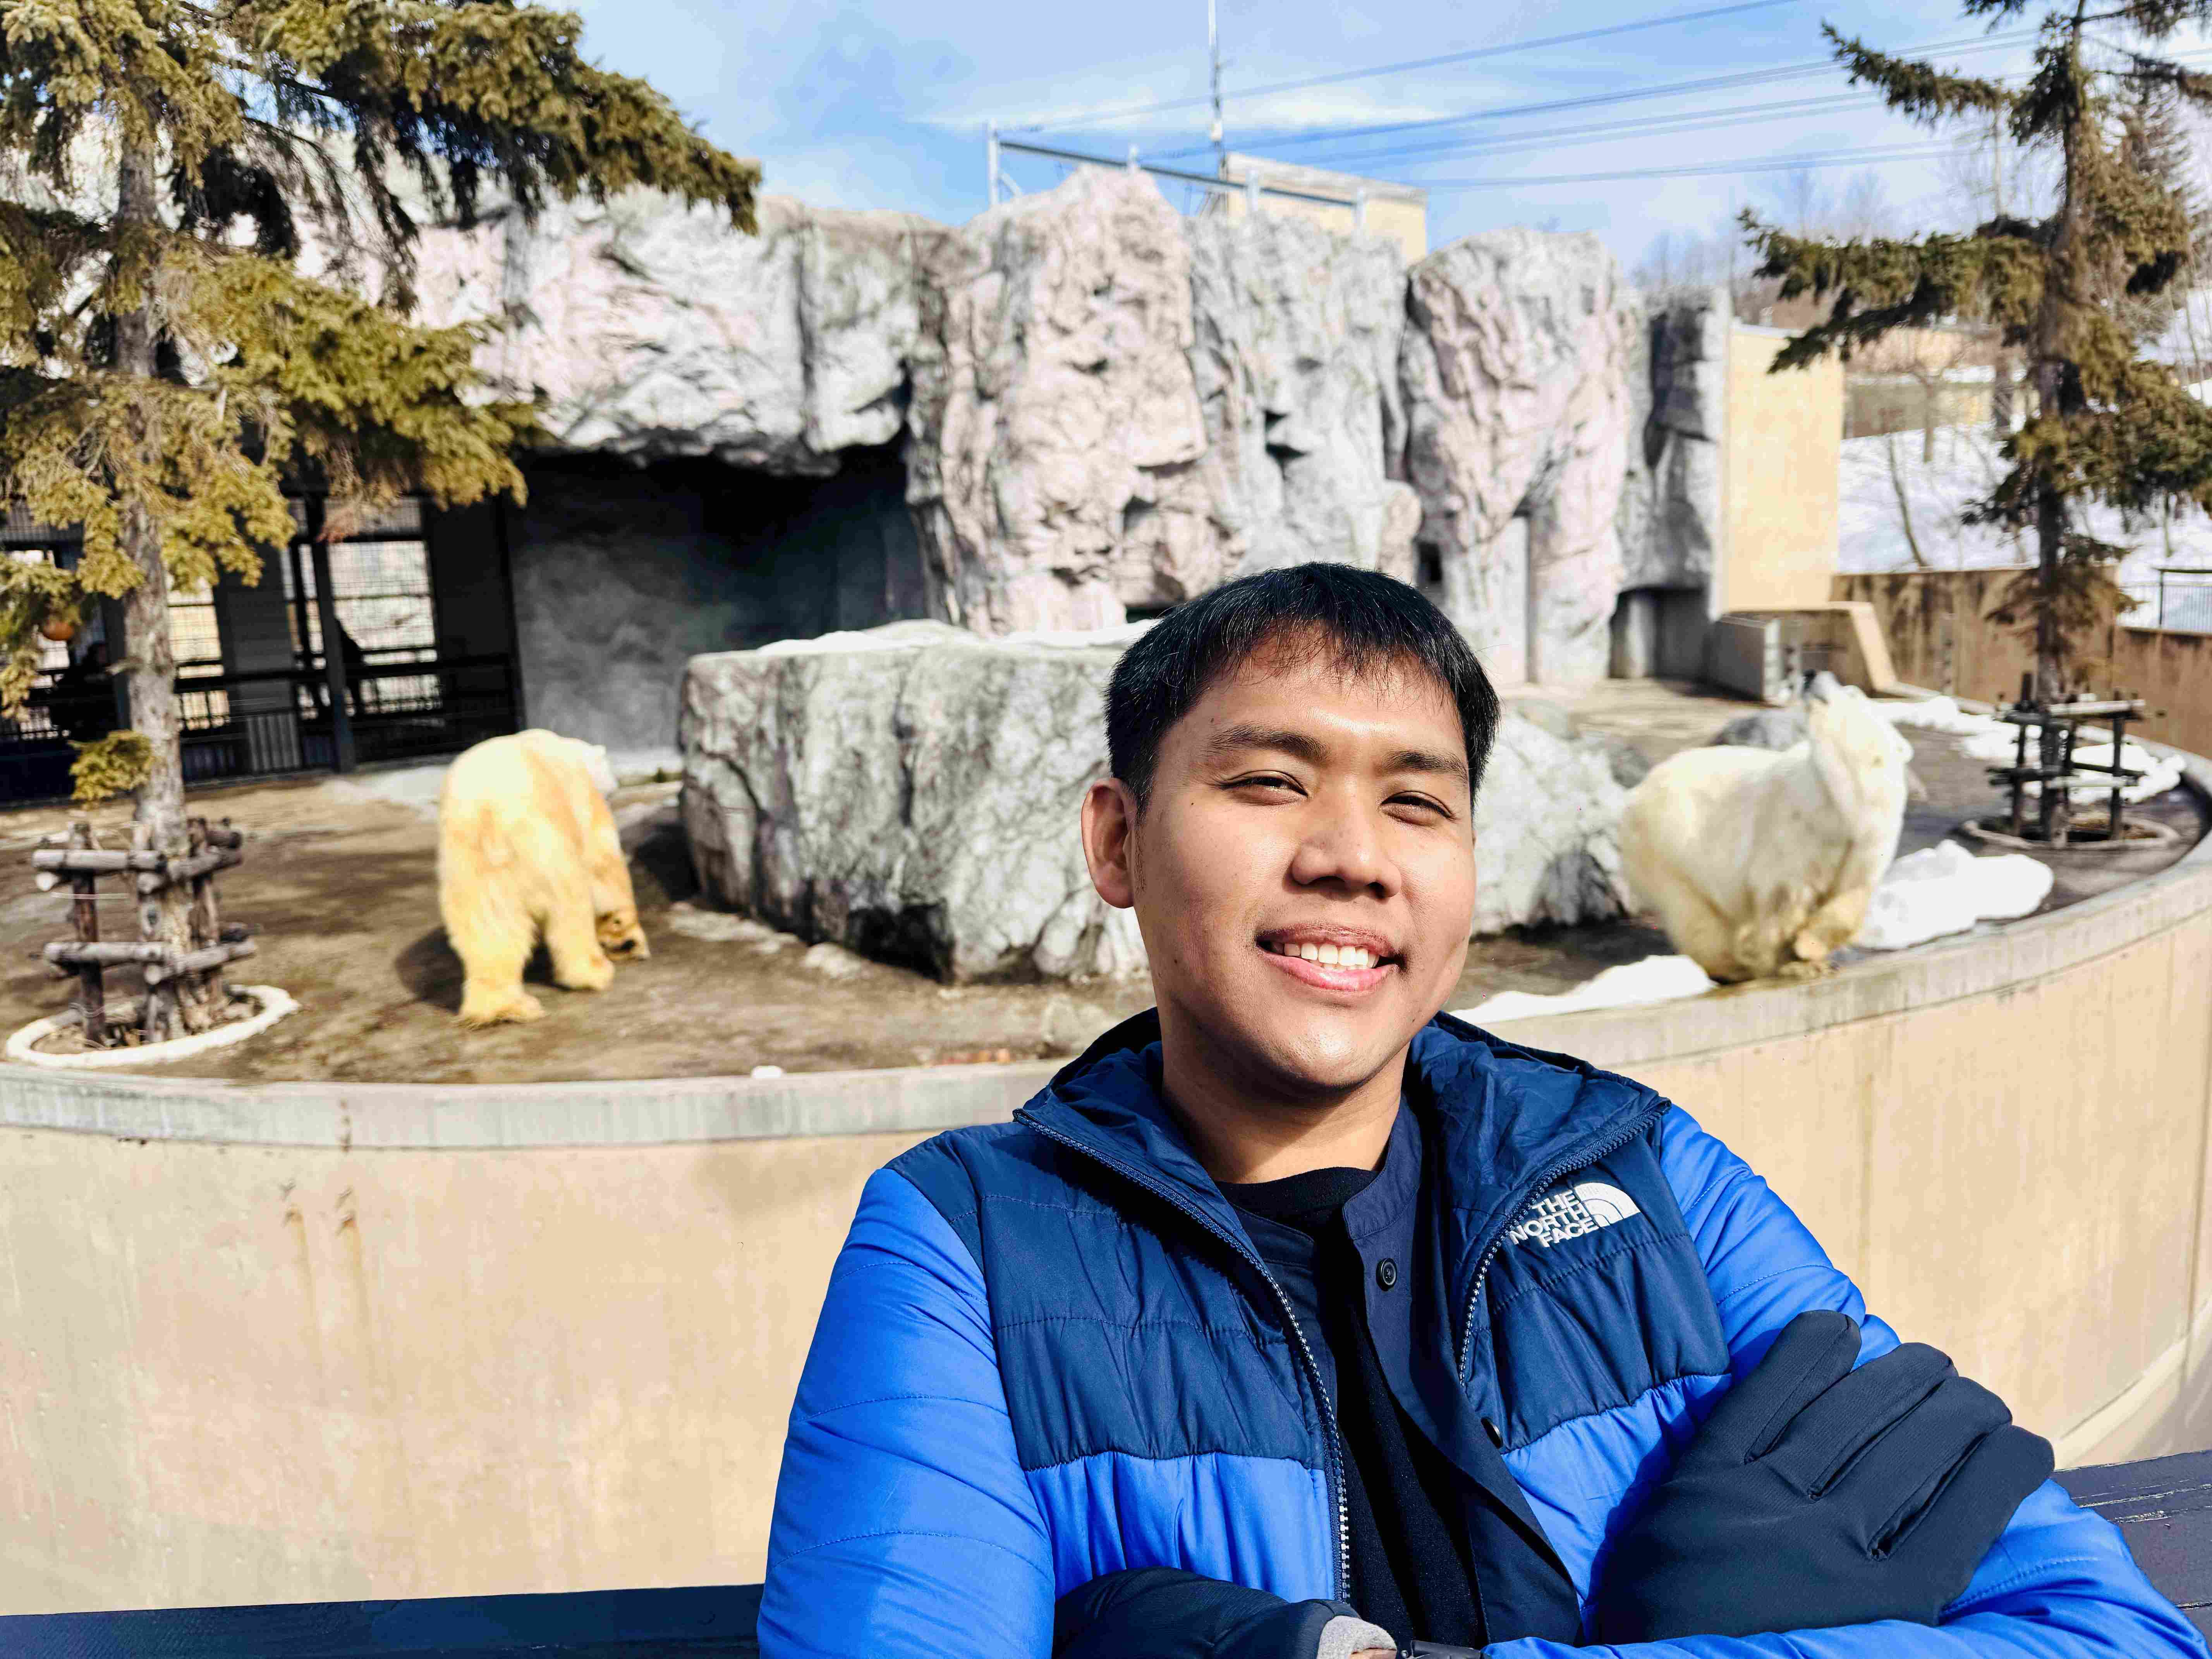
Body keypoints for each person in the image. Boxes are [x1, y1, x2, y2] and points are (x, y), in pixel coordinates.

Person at [759, 565, 2201, 1659]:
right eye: (1268, 782)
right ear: (1119, 840)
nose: (1350, 858)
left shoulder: (1643, 1179)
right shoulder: (965, 1247)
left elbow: (2112, 1630)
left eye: (1417, 802)